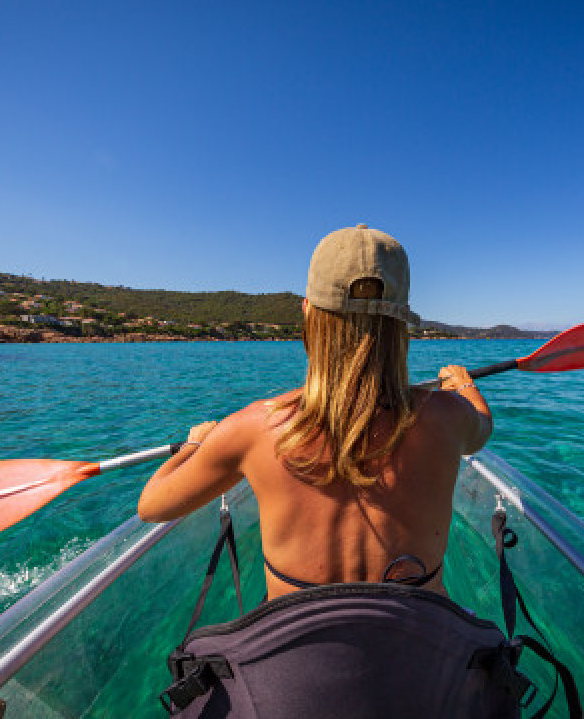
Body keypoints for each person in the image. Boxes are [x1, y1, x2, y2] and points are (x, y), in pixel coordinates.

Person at [137, 223, 492, 600]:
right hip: (422, 643)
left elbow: (153, 505)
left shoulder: (255, 428)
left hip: (297, 652)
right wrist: (463, 385)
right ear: (402, 322)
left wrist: (195, 444)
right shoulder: (448, 416)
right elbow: (481, 429)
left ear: (308, 311)